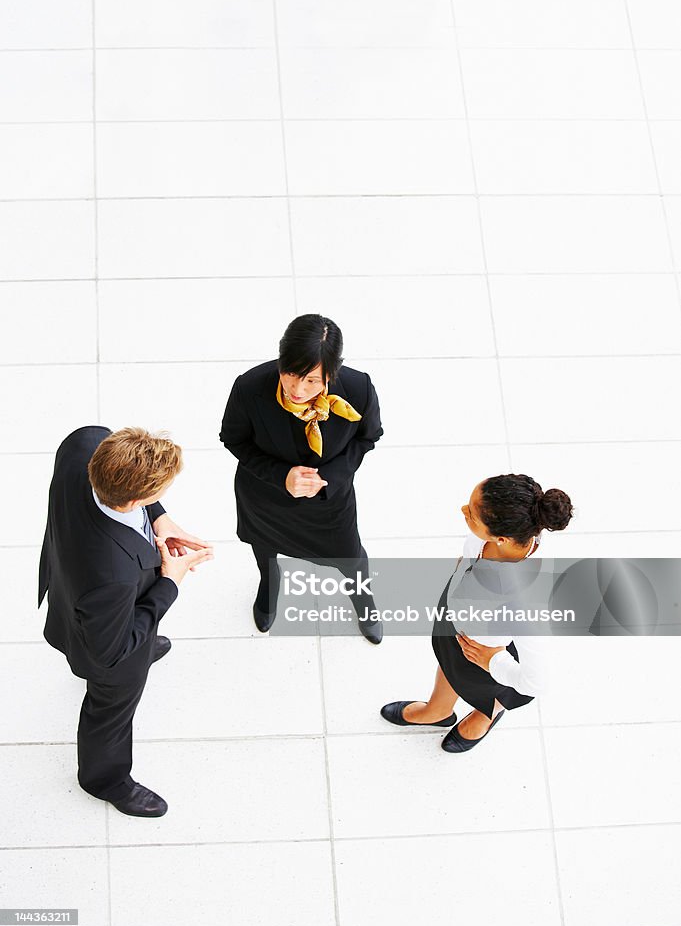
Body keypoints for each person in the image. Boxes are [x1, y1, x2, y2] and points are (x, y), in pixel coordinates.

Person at [38, 426, 213, 817]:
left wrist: (159, 519)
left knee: (140, 639)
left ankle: (148, 645)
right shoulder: (111, 575)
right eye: (157, 497)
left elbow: (101, 445)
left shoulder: (83, 445)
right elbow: (111, 652)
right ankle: (105, 779)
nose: (160, 499)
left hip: (74, 586)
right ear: (134, 499)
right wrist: (170, 582)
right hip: (107, 639)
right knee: (111, 708)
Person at [219, 313, 384, 643]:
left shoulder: (358, 388)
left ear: (331, 374)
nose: (297, 389)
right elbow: (233, 439)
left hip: (329, 502)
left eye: (311, 380)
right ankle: (270, 581)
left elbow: (369, 437)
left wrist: (330, 477)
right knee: (264, 549)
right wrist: (282, 476)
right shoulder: (250, 387)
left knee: (350, 557)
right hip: (265, 497)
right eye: (290, 374)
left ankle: (362, 598)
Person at [381, 473, 574, 753]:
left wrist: (494, 662)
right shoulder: (501, 538)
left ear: (502, 537)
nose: (463, 512)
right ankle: (438, 709)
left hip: (485, 654)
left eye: (471, 514)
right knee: (449, 662)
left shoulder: (524, 601)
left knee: (487, 690)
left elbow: (537, 681)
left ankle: (487, 715)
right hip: (458, 624)